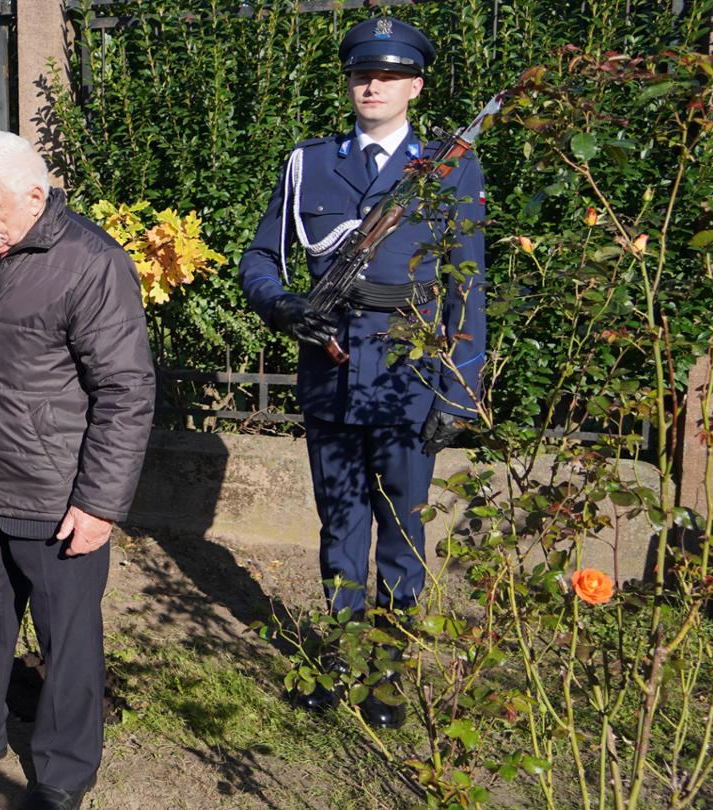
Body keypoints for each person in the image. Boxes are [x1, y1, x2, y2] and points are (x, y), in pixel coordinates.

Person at [236, 17, 485, 729]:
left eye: (387, 75)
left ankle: (389, 670)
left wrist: (460, 388)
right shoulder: (308, 164)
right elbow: (259, 258)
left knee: (402, 532)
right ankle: (339, 655)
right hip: (330, 373)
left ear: (414, 85)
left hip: (409, 377)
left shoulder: (449, 166)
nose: (370, 85)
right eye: (359, 74)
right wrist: (283, 307)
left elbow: (469, 284)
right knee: (340, 526)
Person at [0, 132, 155, 810]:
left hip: (59, 495)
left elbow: (126, 390)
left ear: (36, 195)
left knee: (68, 642)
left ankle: (64, 769)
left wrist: (99, 503)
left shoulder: (91, 264)